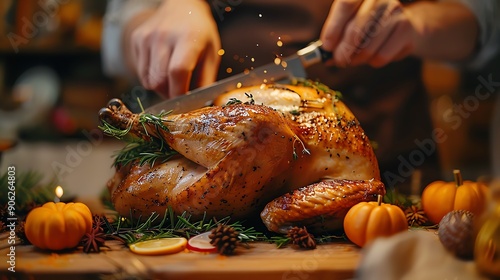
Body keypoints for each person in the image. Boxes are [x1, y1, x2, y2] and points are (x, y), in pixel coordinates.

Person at [101, 0, 500, 192]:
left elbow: (486, 21)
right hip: (212, 181)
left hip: (393, 187)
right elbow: (117, 33)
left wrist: (419, 24)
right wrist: (163, 9)